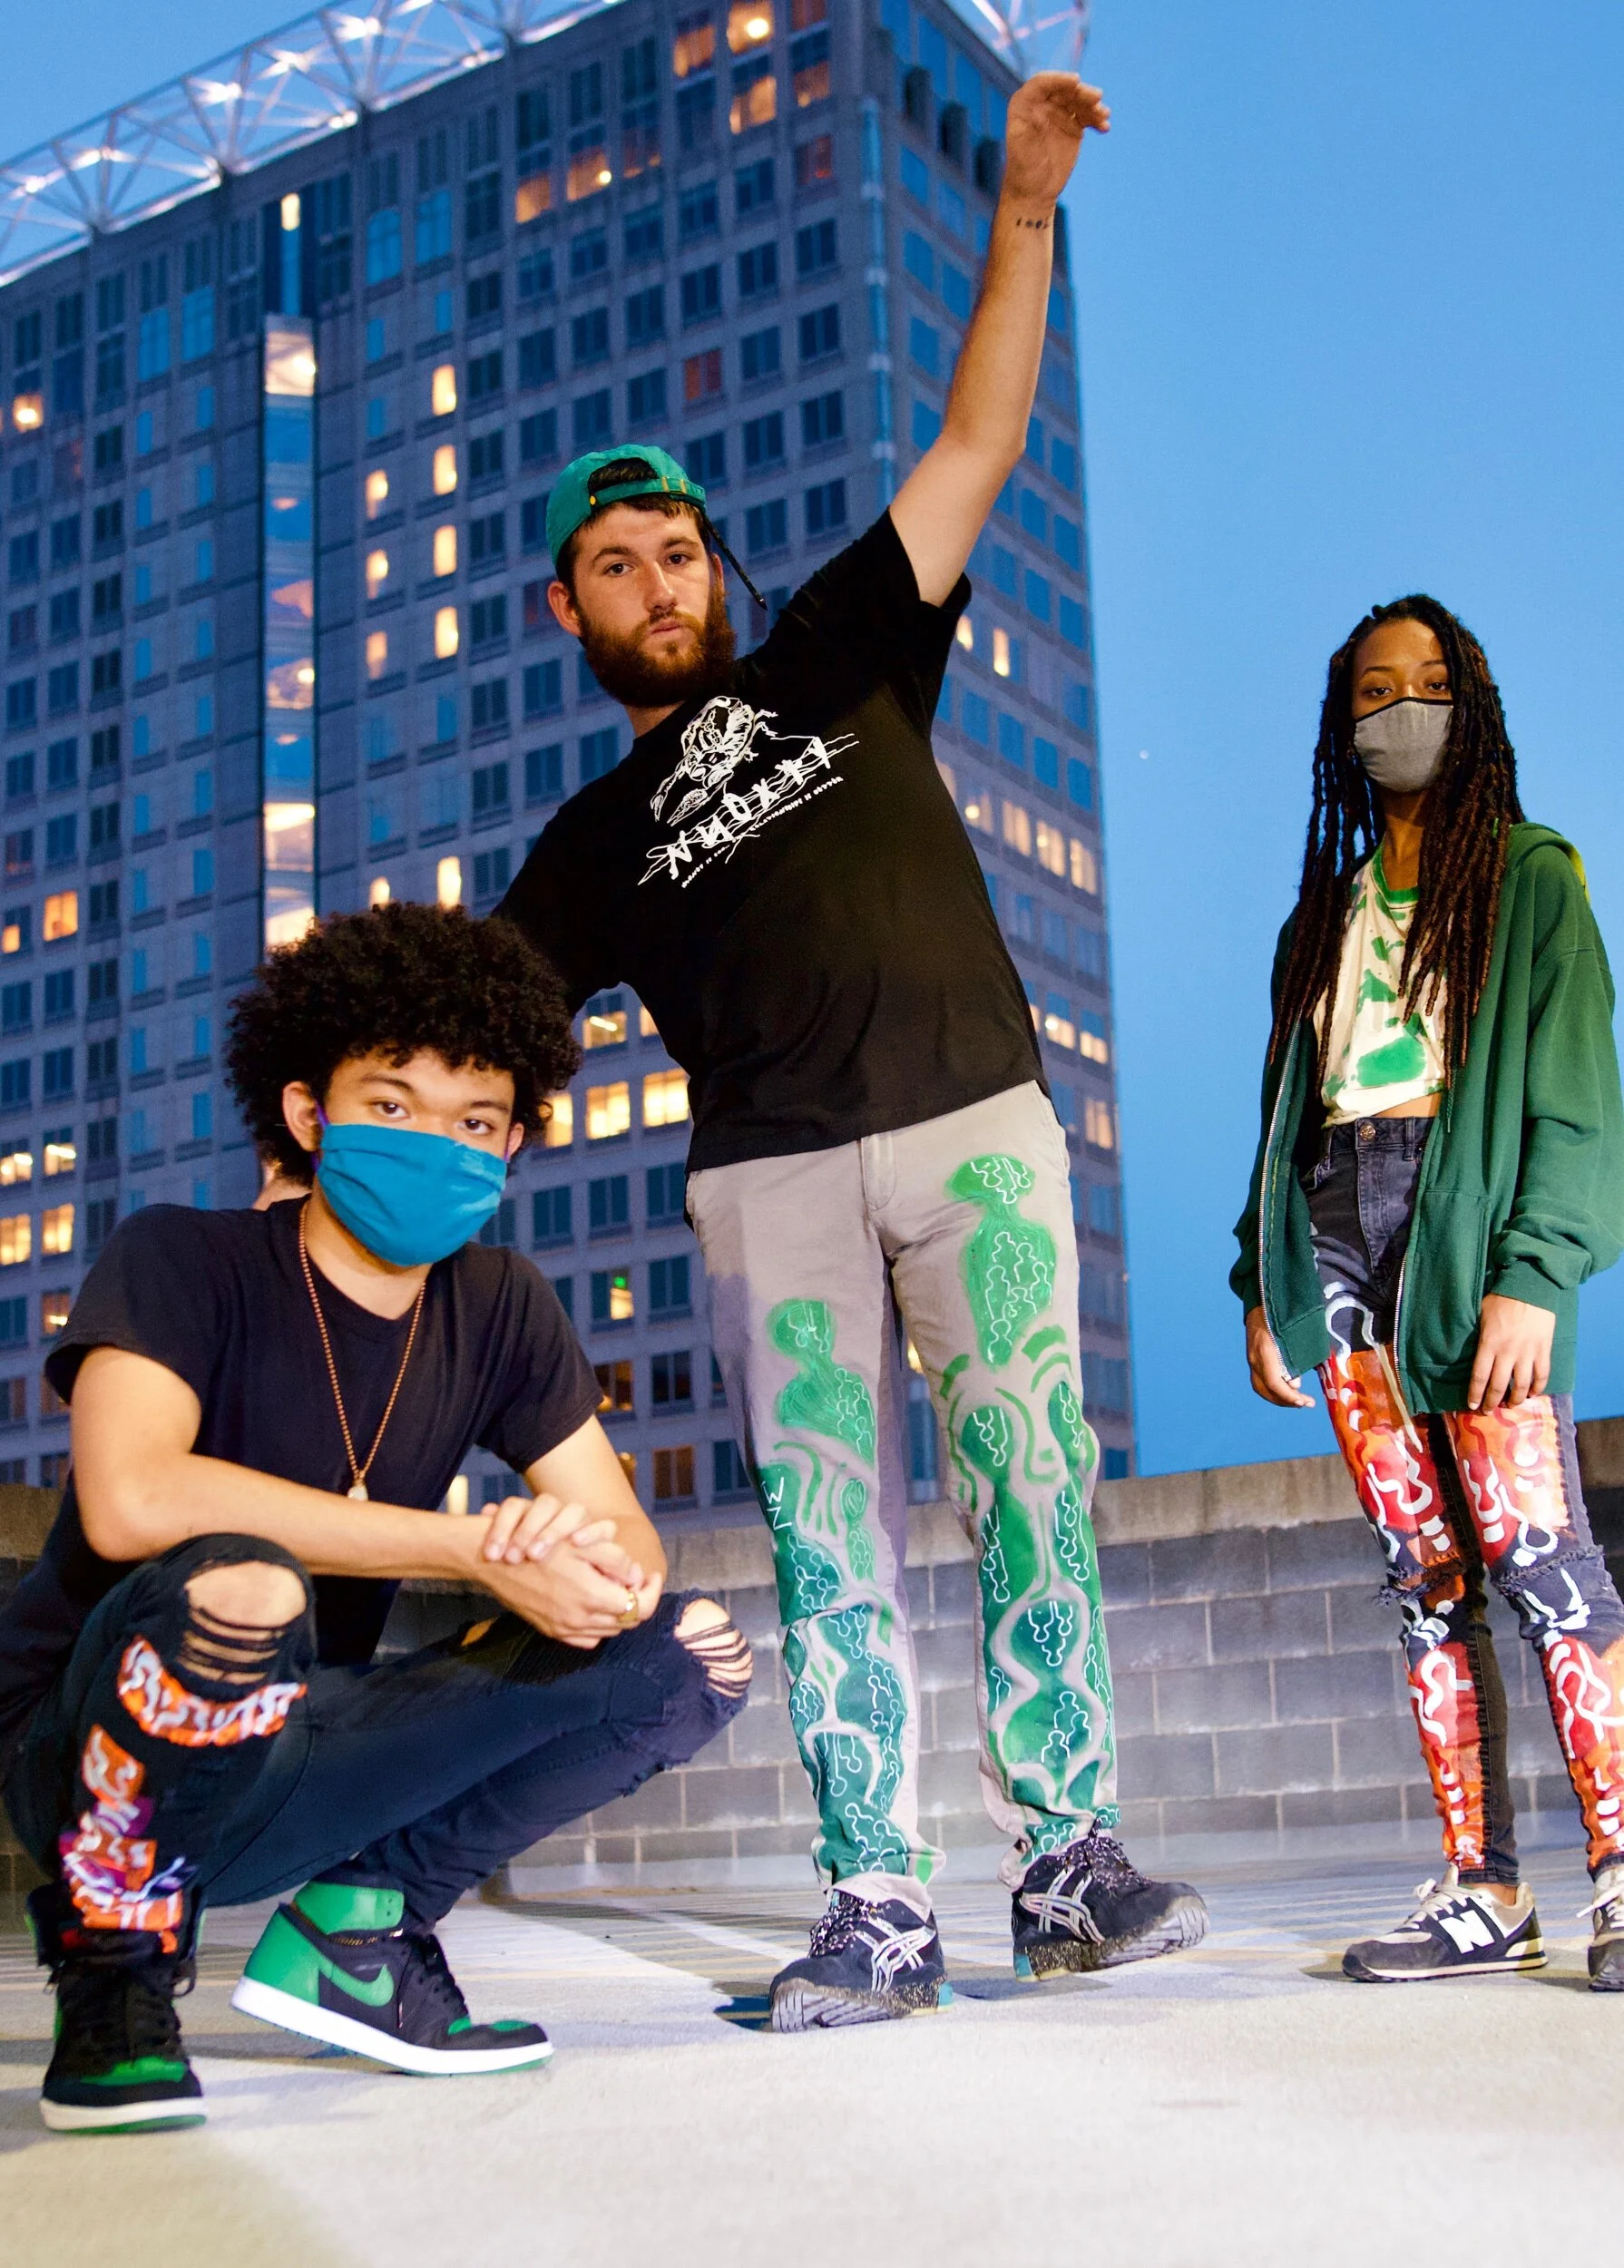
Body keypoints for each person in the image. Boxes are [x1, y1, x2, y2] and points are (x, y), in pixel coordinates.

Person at [495, 71, 1206, 2030]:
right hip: (774, 1173)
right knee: (826, 1534)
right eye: (617, 566)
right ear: (570, 609)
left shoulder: (838, 647)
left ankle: (1066, 1865)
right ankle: (876, 1903)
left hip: (972, 1121)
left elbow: (978, 439)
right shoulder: (585, 843)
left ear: (715, 567)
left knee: (1031, 1484)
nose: (659, 585)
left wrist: (1025, 207)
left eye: (676, 551)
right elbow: (480, 1037)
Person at [0, 903, 751, 2132]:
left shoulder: (499, 1303)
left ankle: (362, 1932)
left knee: (684, 1653)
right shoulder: (182, 1260)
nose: (433, 1143)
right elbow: (133, 1499)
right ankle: (114, 1969)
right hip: (89, 1756)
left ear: (514, 1140)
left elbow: (628, 1546)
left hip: (302, 1738)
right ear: (310, 1114)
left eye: (473, 1120)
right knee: (241, 1581)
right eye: (392, 1104)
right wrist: (472, 1547)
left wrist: (564, 1561)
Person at [1233, 595, 1624, 1990]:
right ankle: (1482, 1891)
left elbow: (1576, 1096)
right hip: (1334, 1234)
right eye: (1371, 691)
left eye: (1429, 684)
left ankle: (1621, 1872)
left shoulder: (1530, 877)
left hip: (1464, 1227)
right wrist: (1260, 1279)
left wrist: (1534, 1271)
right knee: (1423, 1576)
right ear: (1340, 727)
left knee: (1539, 1559)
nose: (1401, 710)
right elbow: (1285, 1115)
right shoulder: (1320, 918)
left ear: (1474, 707)